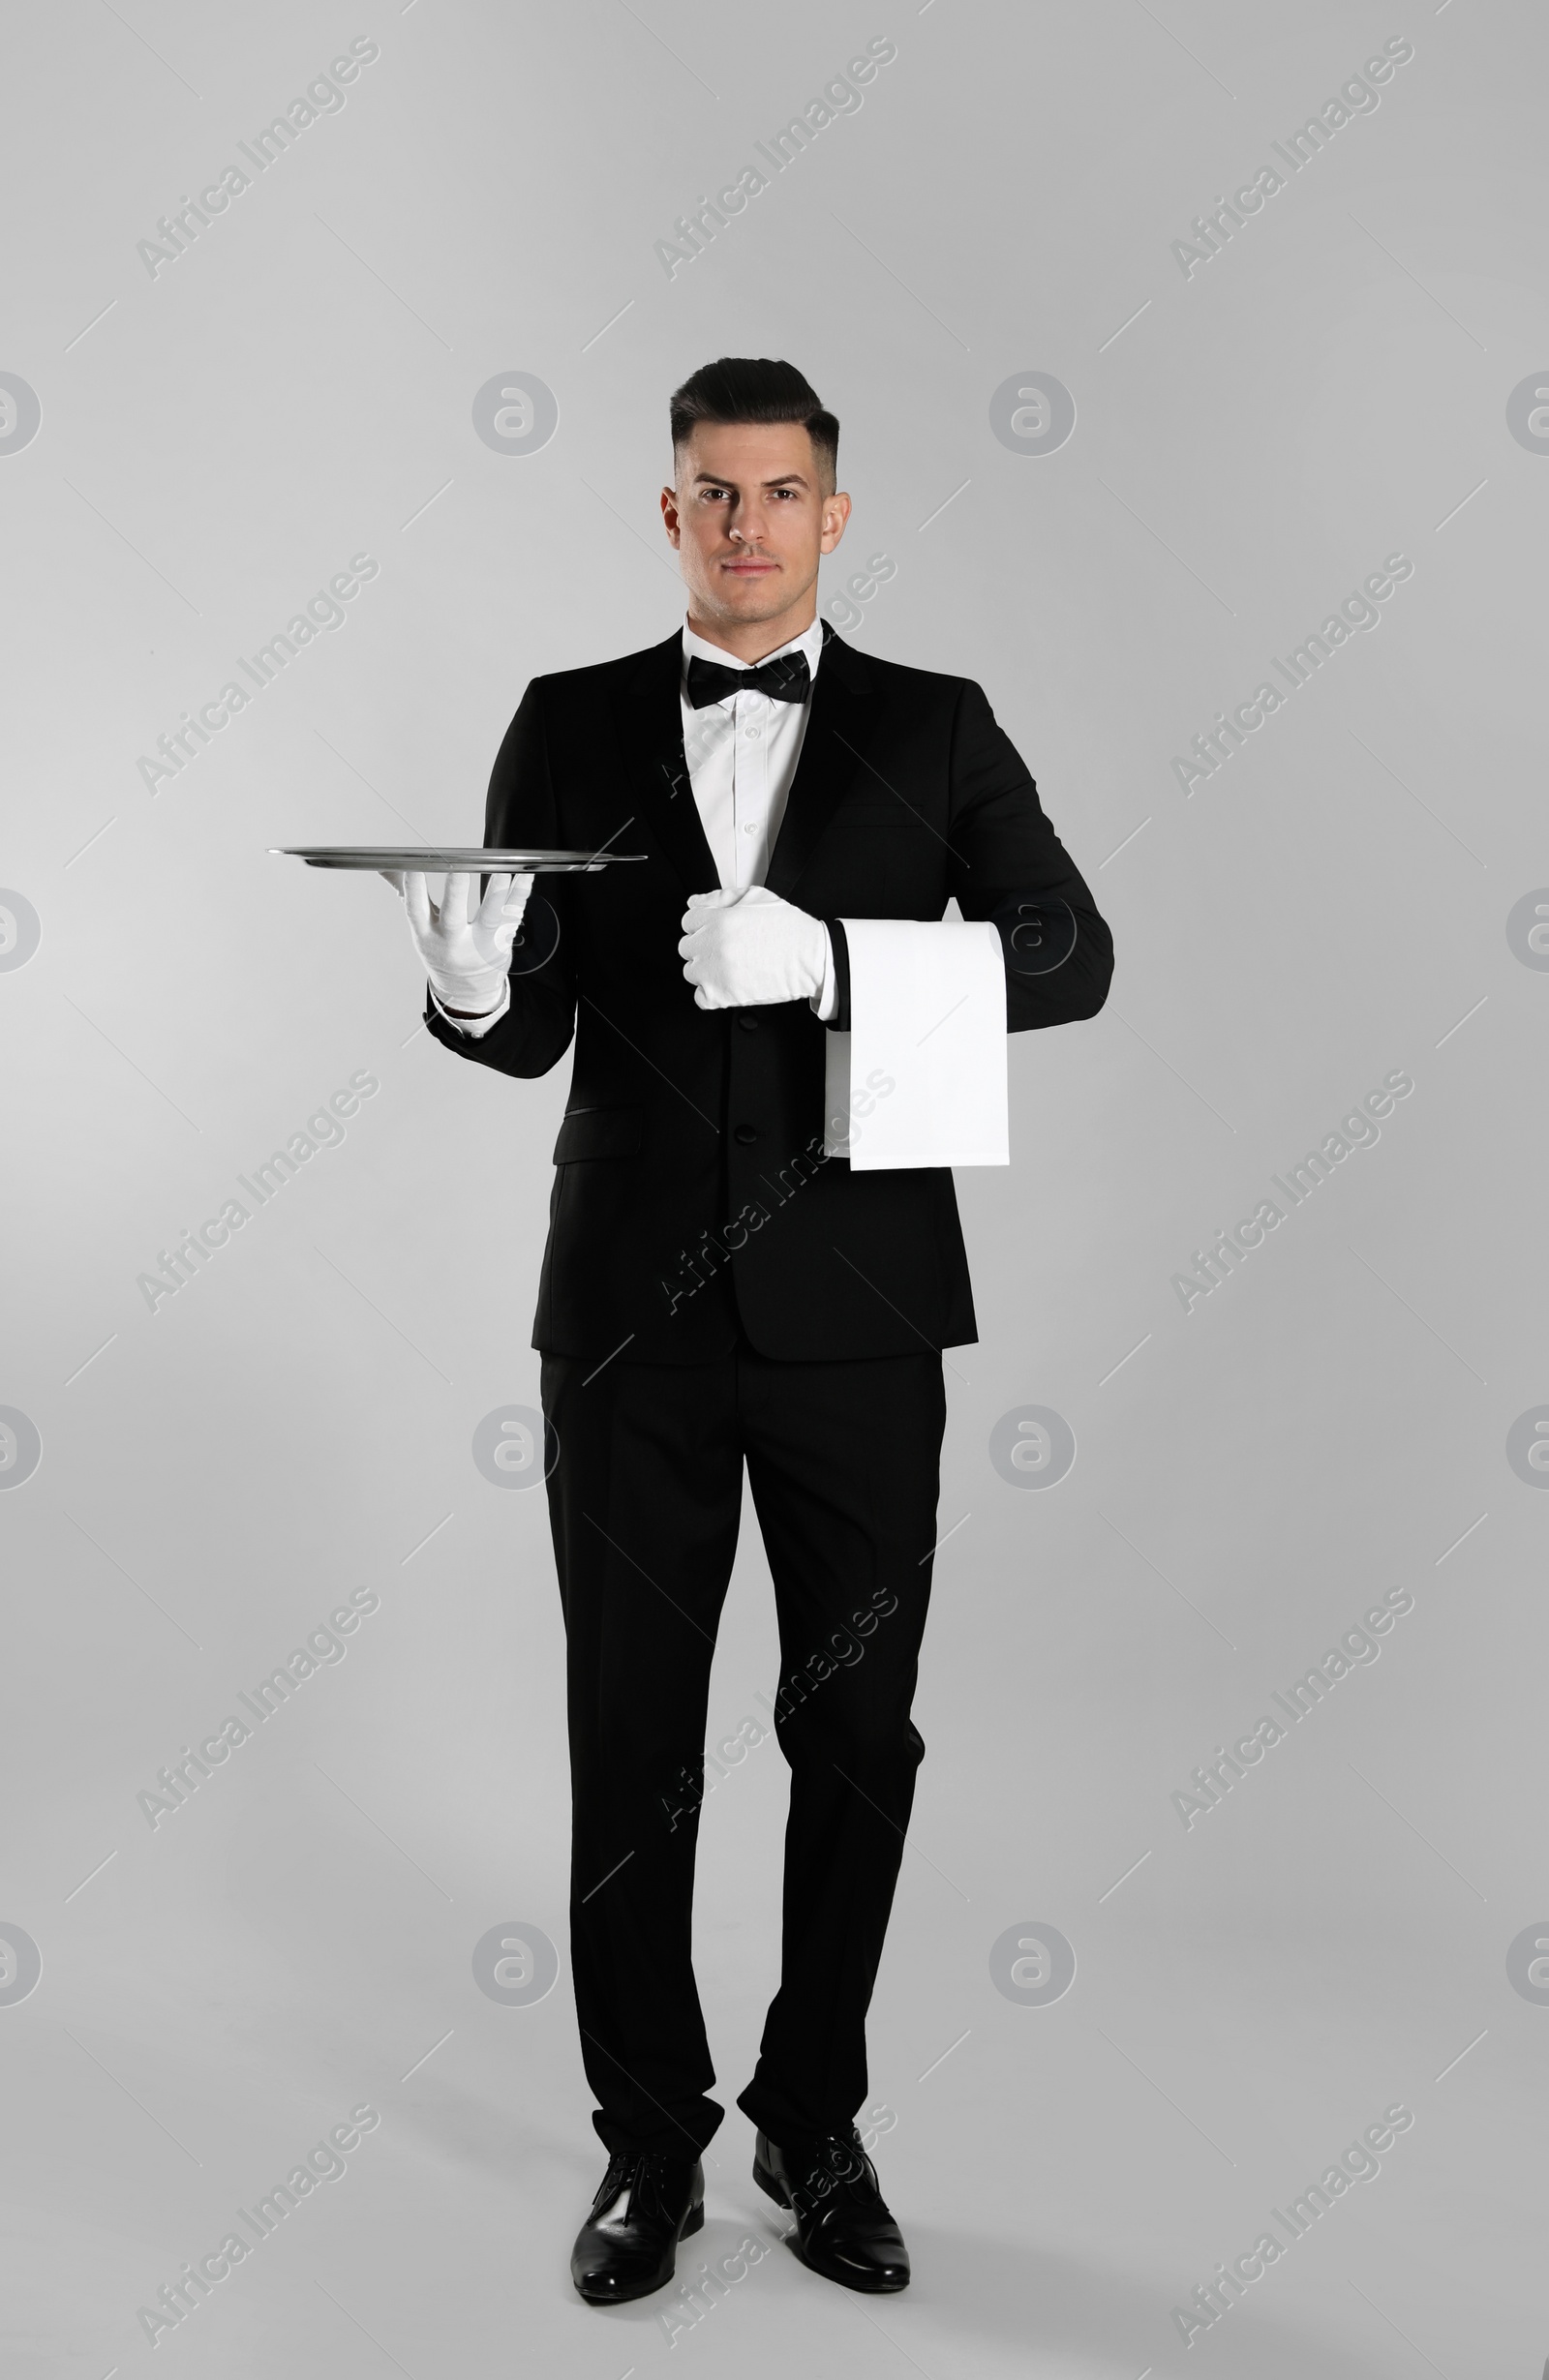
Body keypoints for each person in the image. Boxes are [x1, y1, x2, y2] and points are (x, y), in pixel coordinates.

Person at [383, 356, 1114, 2304]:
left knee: (854, 1733)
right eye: (713, 490)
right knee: (629, 1738)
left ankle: (813, 2118)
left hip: (859, 1322)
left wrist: (842, 960)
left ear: (832, 514)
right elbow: (531, 1021)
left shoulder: (934, 724)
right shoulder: (564, 721)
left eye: (780, 491)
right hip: (624, 1327)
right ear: (669, 510)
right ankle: (649, 2145)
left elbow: (1072, 953)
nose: (746, 524)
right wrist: (470, 991)